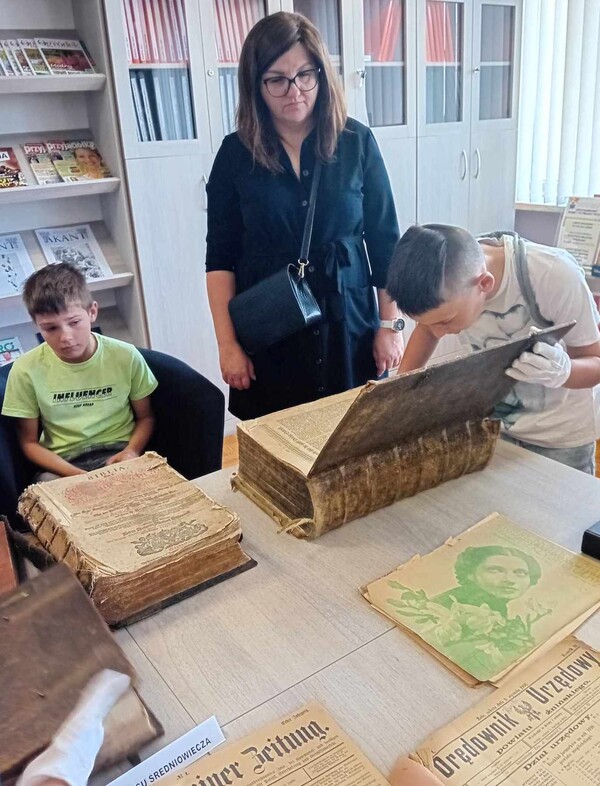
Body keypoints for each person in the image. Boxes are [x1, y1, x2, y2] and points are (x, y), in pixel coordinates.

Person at [206, 11, 403, 420]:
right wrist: (228, 345)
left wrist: (391, 325)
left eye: (305, 75)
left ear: (320, 74)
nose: (294, 91)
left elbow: (385, 241)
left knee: (353, 438)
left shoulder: (356, 142)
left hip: (347, 322)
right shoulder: (234, 155)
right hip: (271, 330)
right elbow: (220, 259)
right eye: (276, 79)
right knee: (281, 450)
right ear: (255, 85)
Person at [386, 224, 600, 473]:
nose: (440, 332)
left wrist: (564, 372)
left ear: (484, 284)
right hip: (494, 428)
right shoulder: (447, 278)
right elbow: (428, 328)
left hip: (561, 439)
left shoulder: (552, 275)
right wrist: (399, 391)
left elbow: (595, 360)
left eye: (446, 321)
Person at [2, 263, 157, 480]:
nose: (66, 337)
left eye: (74, 322)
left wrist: (131, 451)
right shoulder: (25, 370)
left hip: (120, 453)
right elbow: (28, 442)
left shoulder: (126, 356)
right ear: (37, 325)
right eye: (51, 328)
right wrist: (76, 474)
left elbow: (146, 417)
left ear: (92, 312)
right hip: (62, 464)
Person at [433, 545, 541, 617]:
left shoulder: (497, 607)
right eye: (495, 570)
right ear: (470, 574)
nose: (509, 580)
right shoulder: (448, 605)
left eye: (520, 573)